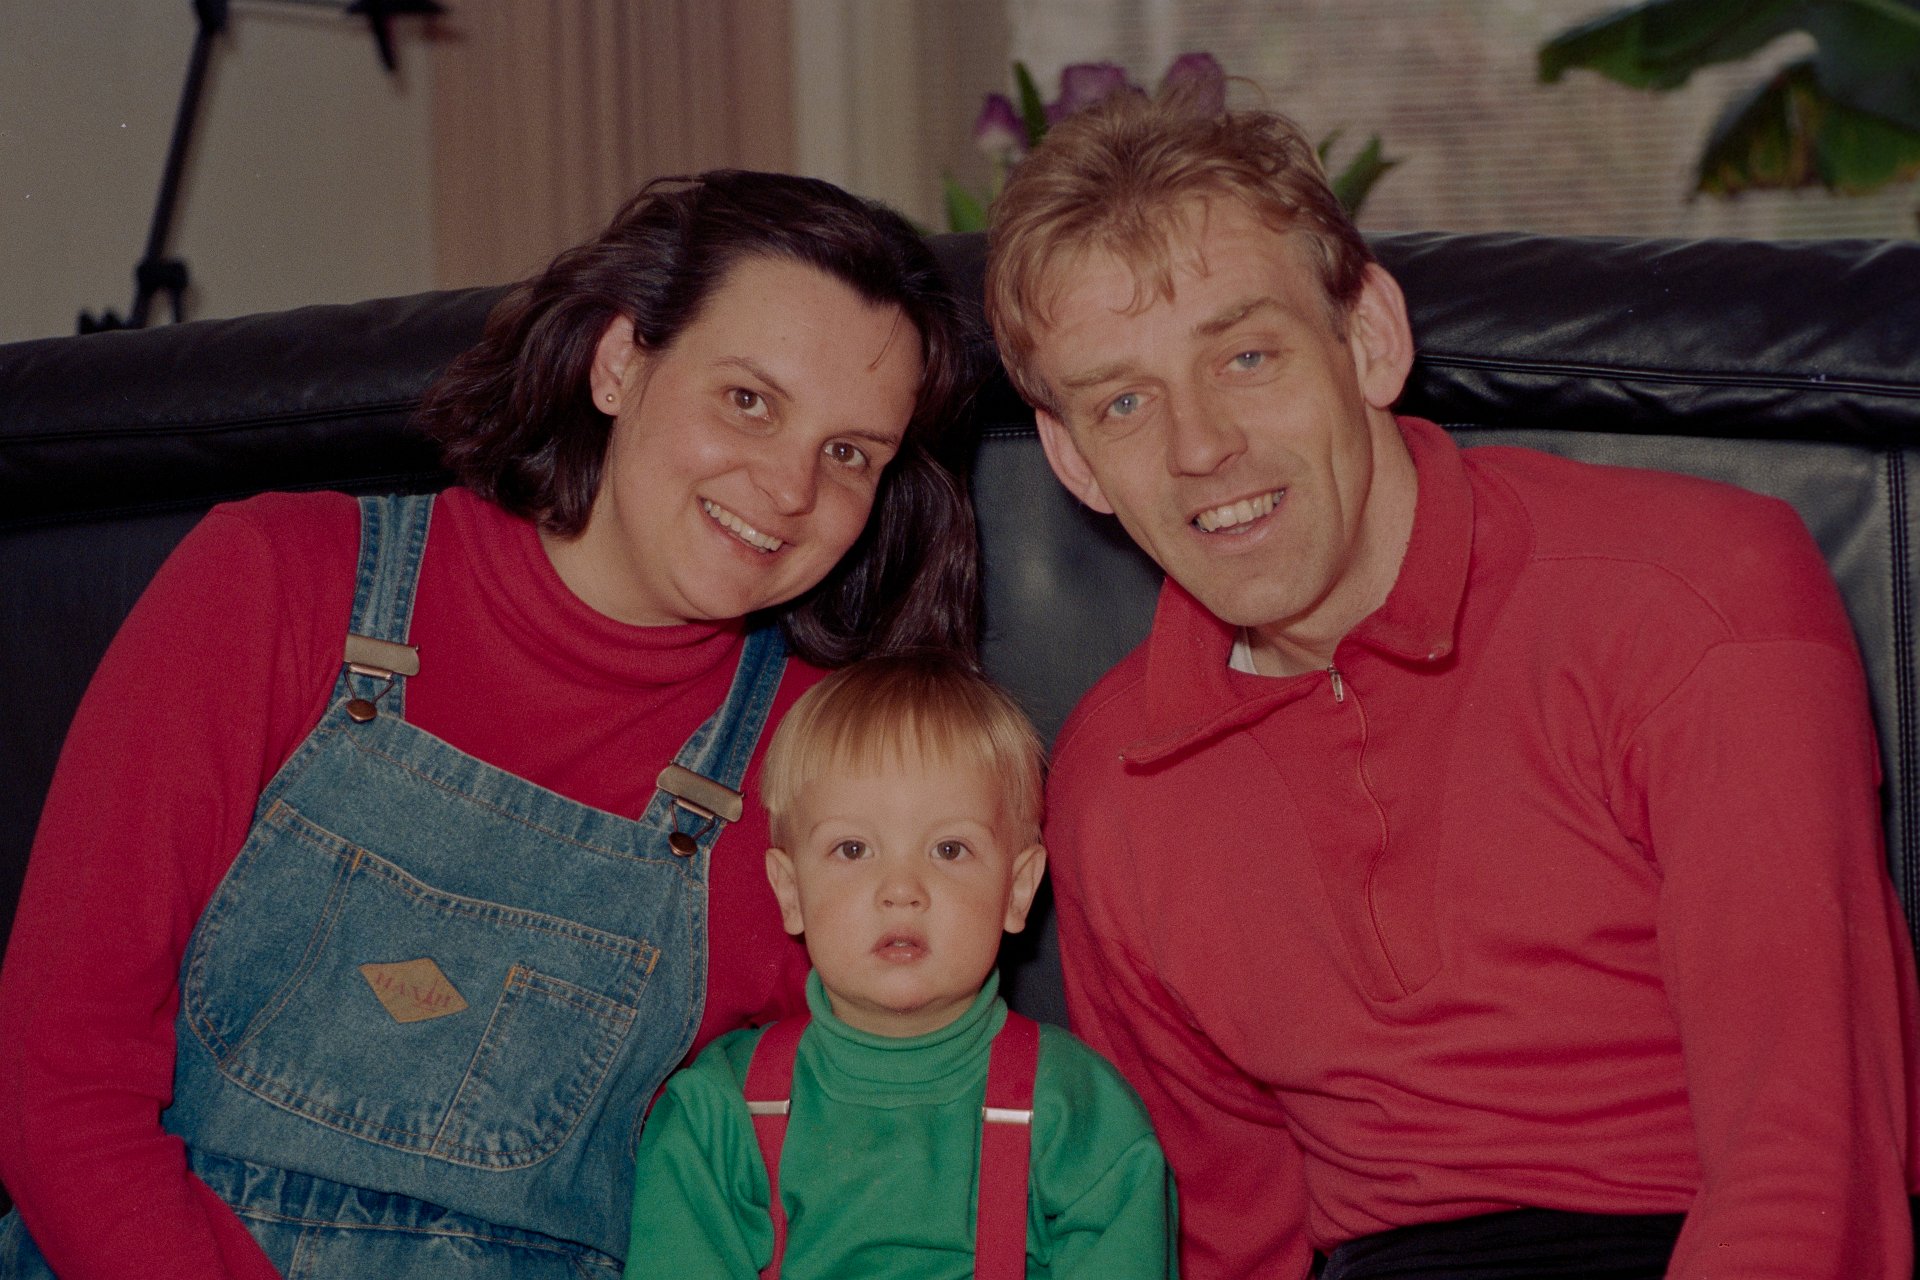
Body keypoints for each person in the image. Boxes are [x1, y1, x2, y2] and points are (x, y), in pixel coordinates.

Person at [982, 84, 1920, 1279]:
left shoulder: (1700, 594)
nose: (1199, 445)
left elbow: (1809, 1163)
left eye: (1248, 354)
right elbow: (1225, 1238)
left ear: (1369, 338)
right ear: (1074, 459)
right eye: (1124, 401)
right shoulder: (1110, 783)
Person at [0, 170, 979, 1280]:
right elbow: (58, 1083)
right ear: (619, 363)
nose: (791, 488)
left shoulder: (823, 761)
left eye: (850, 453)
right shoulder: (275, 578)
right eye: (748, 400)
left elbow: (836, 1194)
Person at [623, 652, 1176, 1279]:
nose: (901, 890)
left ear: (1018, 889)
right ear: (791, 891)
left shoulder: (1083, 1118)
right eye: (853, 849)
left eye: (949, 849)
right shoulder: (715, 1115)